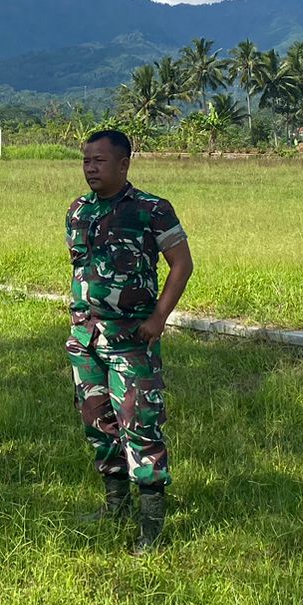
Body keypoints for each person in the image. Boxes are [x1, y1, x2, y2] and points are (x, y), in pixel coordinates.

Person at [66, 128, 193, 555]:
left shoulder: (151, 209)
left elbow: (182, 264)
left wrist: (159, 317)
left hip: (131, 340)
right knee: (98, 424)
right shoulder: (78, 211)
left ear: (124, 165)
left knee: (139, 426)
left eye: (99, 161)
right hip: (86, 339)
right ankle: (114, 504)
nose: (90, 168)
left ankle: (151, 526)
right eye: (86, 161)